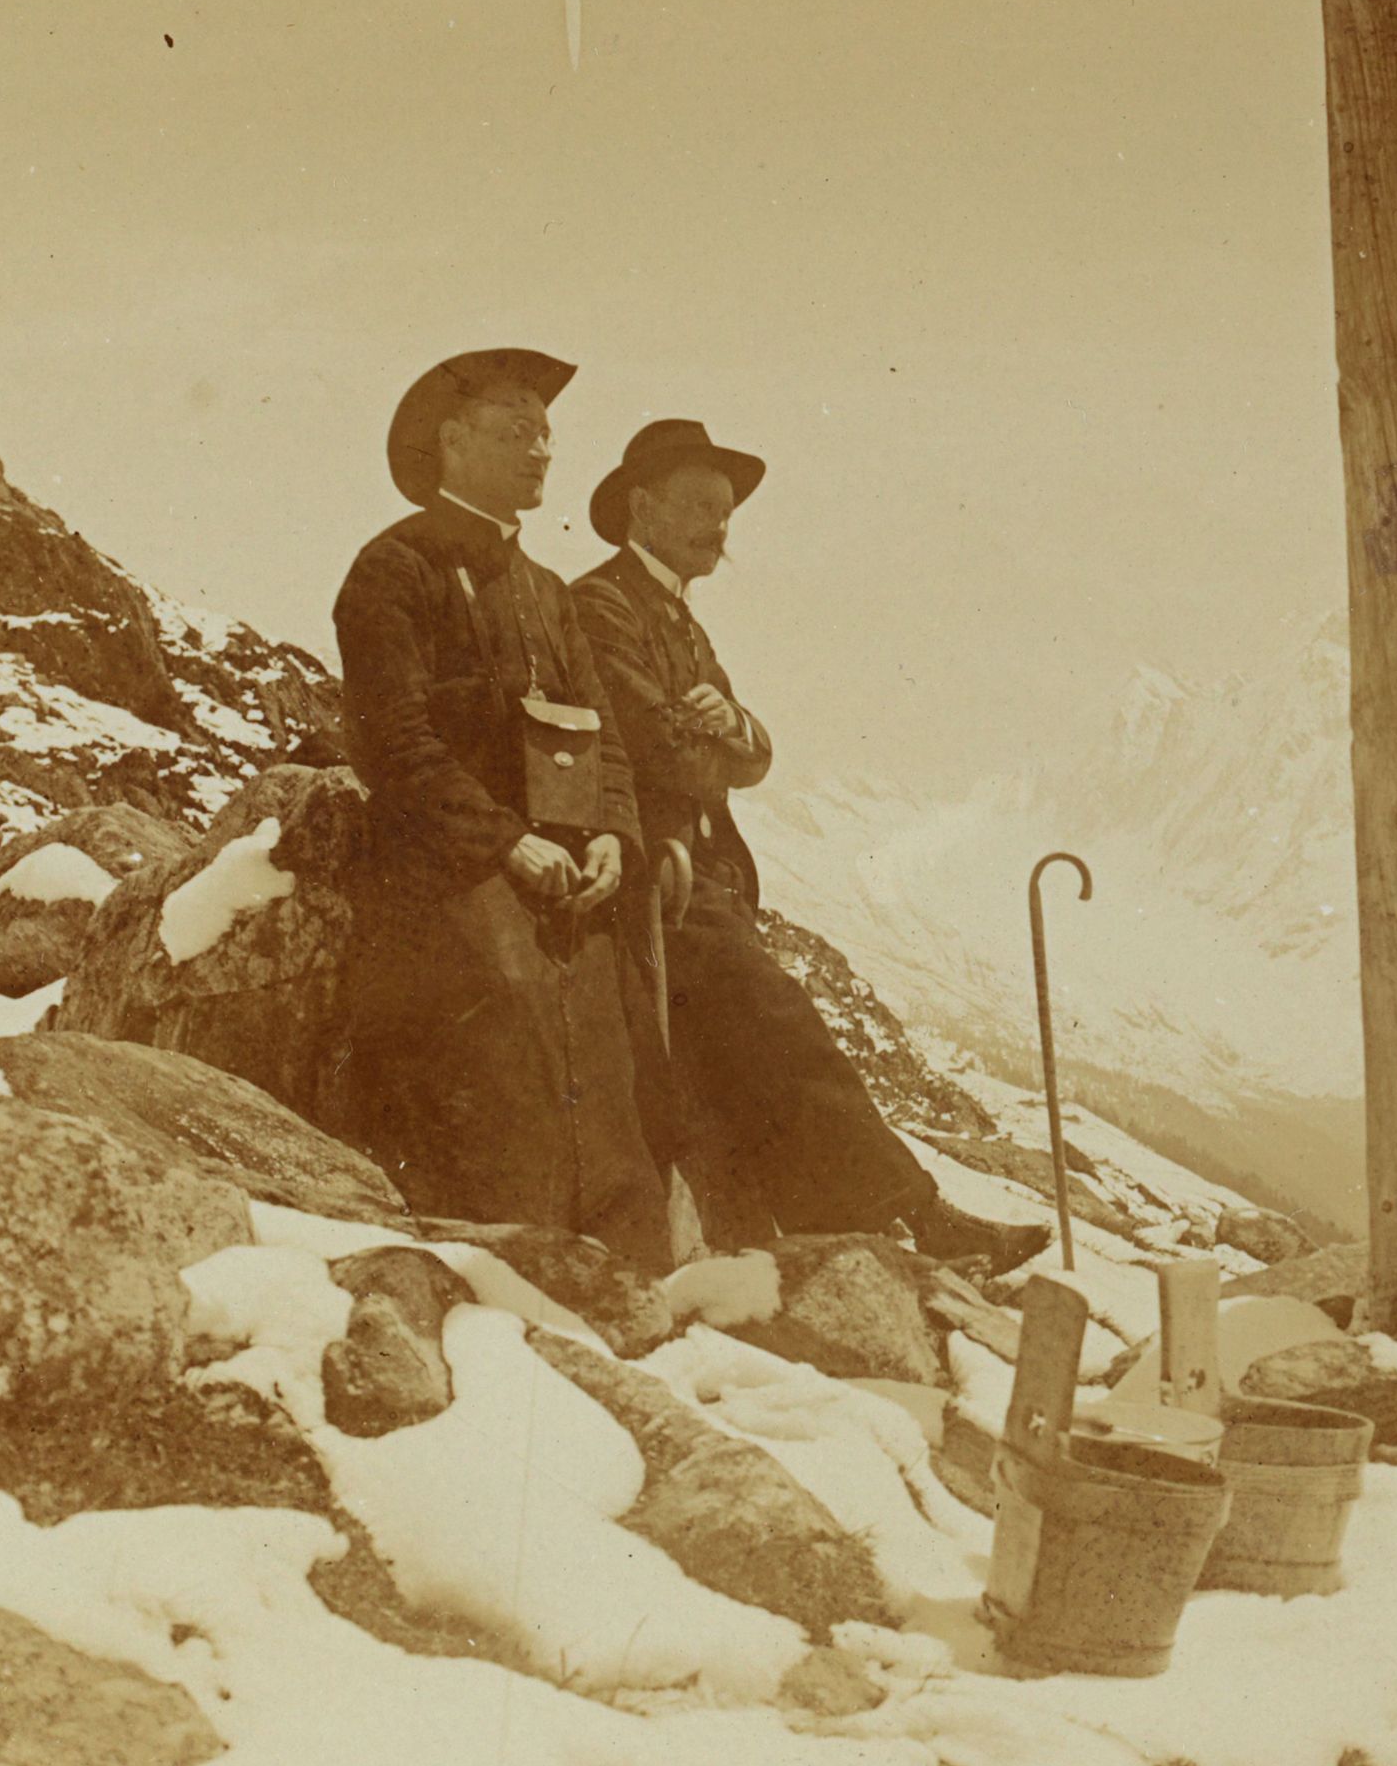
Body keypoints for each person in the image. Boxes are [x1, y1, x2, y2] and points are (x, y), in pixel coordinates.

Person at [569, 418, 1048, 1273]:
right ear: (641, 507)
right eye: (699, 505)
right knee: (779, 1016)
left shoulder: (681, 622)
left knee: (766, 1024)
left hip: (703, 872)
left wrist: (728, 725)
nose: (719, 527)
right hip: (657, 872)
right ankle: (916, 1215)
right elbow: (656, 748)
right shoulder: (602, 604)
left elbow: (755, 757)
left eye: (725, 510)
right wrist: (717, 738)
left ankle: (858, 1225)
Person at [326, 350, 669, 1269]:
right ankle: (512, 1275)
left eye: (546, 434)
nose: (542, 452)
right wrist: (505, 844)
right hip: (441, 872)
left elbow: (604, 739)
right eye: (517, 432)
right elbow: (394, 743)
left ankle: (628, 1281)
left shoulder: (549, 594)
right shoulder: (393, 568)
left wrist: (611, 835)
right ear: (450, 441)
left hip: (557, 876)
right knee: (510, 1038)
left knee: (620, 1050)